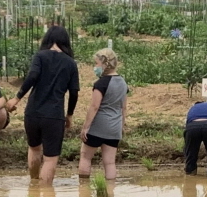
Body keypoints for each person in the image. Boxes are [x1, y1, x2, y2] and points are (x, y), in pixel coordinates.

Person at [15, 25, 80, 184]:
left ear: (47, 40)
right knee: (50, 159)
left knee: (34, 149)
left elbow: (32, 76)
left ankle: (33, 185)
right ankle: (44, 193)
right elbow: (74, 93)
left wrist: (17, 98)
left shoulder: (40, 56)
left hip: (33, 112)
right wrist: (69, 115)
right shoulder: (70, 63)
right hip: (54, 115)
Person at [79, 48, 128, 182]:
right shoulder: (123, 83)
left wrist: (85, 127)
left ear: (105, 64)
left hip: (98, 127)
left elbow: (94, 107)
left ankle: (83, 191)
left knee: (85, 157)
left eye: (97, 64)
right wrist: (121, 127)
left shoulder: (101, 83)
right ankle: (110, 194)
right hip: (114, 128)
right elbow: (123, 108)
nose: (95, 67)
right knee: (110, 163)